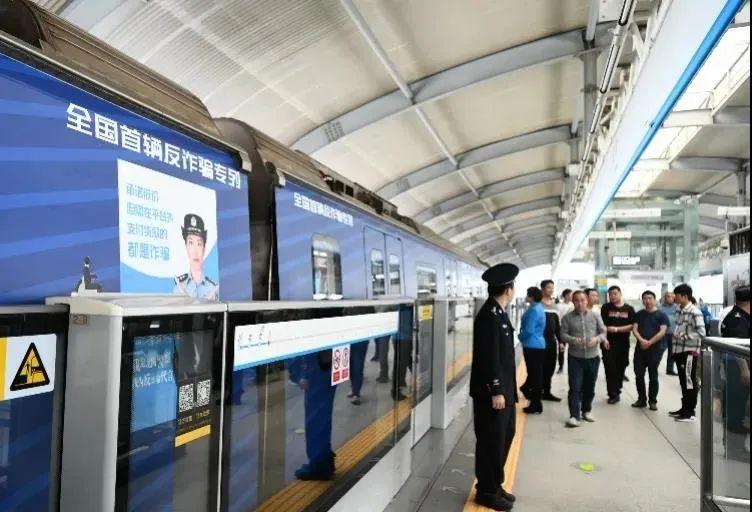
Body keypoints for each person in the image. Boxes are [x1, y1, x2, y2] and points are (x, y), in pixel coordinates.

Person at [470, 263, 519, 511]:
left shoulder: (498, 313)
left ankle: (494, 484)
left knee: (504, 436)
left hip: (505, 392)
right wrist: (496, 390)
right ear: (508, 289)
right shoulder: (489, 316)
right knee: (491, 441)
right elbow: (488, 358)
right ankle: (487, 492)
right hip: (493, 393)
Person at [560, 290, 607, 428]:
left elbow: (603, 332)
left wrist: (597, 339)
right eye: (577, 300)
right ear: (573, 302)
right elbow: (562, 335)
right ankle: (574, 416)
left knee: (589, 387)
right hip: (575, 358)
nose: (580, 303)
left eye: (583, 300)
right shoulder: (567, 318)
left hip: (593, 357)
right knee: (575, 387)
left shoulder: (595, 315)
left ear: (587, 301)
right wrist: (573, 340)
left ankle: (586, 411)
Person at [720, 285, 750, 453]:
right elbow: (738, 347)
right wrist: (745, 370)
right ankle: (734, 448)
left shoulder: (736, 315)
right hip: (737, 367)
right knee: (736, 407)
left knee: (735, 405)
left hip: (734, 366)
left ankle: (733, 446)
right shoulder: (738, 319)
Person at [670, 283, 706, 422]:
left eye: (677, 296)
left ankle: (690, 412)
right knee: (683, 381)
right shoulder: (680, 310)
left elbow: (702, 333)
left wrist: (684, 336)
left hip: (689, 352)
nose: (675, 298)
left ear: (685, 296)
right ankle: (684, 408)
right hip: (679, 350)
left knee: (689, 381)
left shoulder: (694, 312)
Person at [631, 291, 670, 410]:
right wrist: (642, 340)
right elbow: (635, 329)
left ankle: (652, 401)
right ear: (642, 300)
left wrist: (650, 342)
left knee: (653, 375)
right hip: (640, 349)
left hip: (655, 350)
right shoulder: (639, 314)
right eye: (645, 298)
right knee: (639, 375)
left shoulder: (662, 315)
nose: (647, 301)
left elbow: (662, 331)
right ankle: (641, 399)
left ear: (654, 300)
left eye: (650, 298)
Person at [601, 285, 636, 404]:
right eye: (610, 294)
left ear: (620, 294)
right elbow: (602, 325)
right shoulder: (606, 307)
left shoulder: (629, 309)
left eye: (615, 293)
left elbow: (632, 325)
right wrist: (604, 338)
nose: (612, 296)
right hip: (608, 343)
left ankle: (617, 388)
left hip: (623, 343)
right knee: (610, 367)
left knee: (621, 366)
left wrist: (616, 329)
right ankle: (613, 394)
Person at [174, 213, 218, 300]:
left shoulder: (212, 287)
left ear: (204, 249)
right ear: (186, 247)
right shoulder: (179, 286)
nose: (195, 251)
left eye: (199, 244)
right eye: (191, 243)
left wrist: (212, 303)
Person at [519, 286, 546, 414]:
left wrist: (519, 337)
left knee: (535, 376)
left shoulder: (534, 310)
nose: (526, 296)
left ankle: (535, 405)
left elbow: (529, 330)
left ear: (531, 296)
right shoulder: (538, 307)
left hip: (532, 345)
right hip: (538, 344)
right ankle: (534, 400)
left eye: (527, 294)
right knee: (535, 374)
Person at [540, 280, 562, 401]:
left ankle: (547, 392)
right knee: (539, 367)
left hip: (551, 341)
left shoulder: (555, 306)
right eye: (549, 287)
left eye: (552, 288)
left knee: (550, 366)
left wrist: (561, 341)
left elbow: (557, 326)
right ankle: (537, 391)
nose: (551, 290)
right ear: (542, 289)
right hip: (539, 341)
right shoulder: (537, 305)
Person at [660, 292, 678, 375]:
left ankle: (670, 370)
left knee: (672, 352)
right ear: (665, 298)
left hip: (673, 333)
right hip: (663, 333)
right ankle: (653, 366)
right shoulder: (660, 308)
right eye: (668, 297)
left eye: (671, 297)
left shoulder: (677, 307)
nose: (670, 298)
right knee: (660, 350)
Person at [556, 289, 574, 373]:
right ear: (566, 296)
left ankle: (572, 367)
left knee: (573, 350)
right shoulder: (558, 306)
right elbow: (557, 319)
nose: (572, 296)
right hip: (562, 330)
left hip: (572, 331)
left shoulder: (573, 305)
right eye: (570, 295)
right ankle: (561, 367)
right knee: (561, 349)